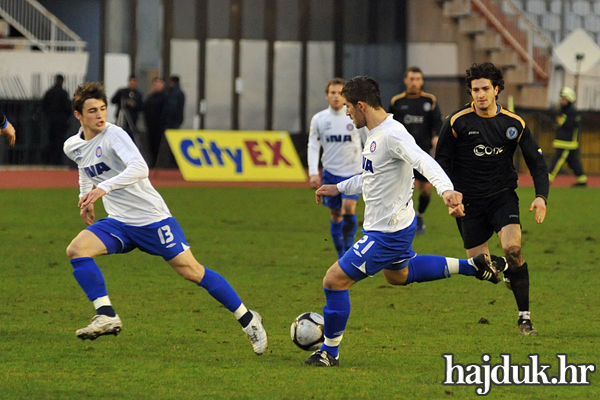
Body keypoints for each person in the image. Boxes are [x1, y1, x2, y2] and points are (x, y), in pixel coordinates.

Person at [304, 76, 503, 367]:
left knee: (334, 281)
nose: (346, 112)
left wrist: (445, 189)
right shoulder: (376, 133)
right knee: (397, 275)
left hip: (387, 232)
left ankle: (328, 353)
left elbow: (424, 160)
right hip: (395, 224)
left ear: (361, 105)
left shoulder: (393, 135)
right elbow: (372, 177)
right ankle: (472, 266)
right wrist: (339, 187)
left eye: (348, 106)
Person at [63, 82, 267, 355]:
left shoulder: (114, 135)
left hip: (152, 220)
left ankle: (248, 318)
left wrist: (104, 188)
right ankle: (106, 314)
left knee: (193, 272)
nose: (100, 116)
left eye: (103, 109)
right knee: (77, 250)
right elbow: (84, 167)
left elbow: (140, 168)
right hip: (120, 222)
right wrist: (85, 195)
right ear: (79, 115)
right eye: (92, 111)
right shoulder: (72, 145)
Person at [435, 62, 549, 336]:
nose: (480, 94)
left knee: (513, 250)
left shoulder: (514, 123)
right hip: (468, 204)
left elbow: (537, 162)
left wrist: (541, 197)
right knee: (482, 268)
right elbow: (441, 162)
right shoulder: (456, 122)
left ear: (497, 90)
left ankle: (525, 319)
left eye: (486, 88)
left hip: (502, 197)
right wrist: (449, 197)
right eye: (475, 89)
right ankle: (509, 270)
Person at [307, 78, 367, 258]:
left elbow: (368, 140)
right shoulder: (319, 119)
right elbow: (313, 145)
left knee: (348, 208)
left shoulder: (355, 116)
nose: (335, 97)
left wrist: (369, 165)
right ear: (327, 95)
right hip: (330, 173)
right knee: (335, 214)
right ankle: (341, 254)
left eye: (339, 93)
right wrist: (312, 172)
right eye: (332, 93)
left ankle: (349, 250)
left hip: (353, 172)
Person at [389, 66, 443, 234]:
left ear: (422, 81)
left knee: (426, 189)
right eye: (411, 79)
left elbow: (437, 124)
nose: (414, 82)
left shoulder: (430, 100)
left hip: (423, 153)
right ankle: (406, 220)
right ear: (406, 81)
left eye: (417, 79)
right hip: (403, 154)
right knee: (404, 188)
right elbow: (389, 125)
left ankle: (419, 214)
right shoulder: (396, 101)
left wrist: (436, 137)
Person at [548, 86, 587, 187]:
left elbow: (562, 123)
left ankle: (547, 179)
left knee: (557, 161)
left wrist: (559, 115)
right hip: (567, 143)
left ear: (570, 99)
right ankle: (582, 180)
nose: (562, 101)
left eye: (564, 99)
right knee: (573, 162)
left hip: (566, 143)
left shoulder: (571, 112)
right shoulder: (567, 111)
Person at [42, 74, 71, 165]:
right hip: (61, 121)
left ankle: (48, 161)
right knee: (59, 142)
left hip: (50, 121)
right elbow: (68, 108)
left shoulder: (49, 92)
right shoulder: (63, 93)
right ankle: (57, 161)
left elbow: (43, 106)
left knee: (50, 141)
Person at [143, 77, 168, 168]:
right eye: (155, 83)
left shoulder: (165, 98)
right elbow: (145, 109)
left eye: (159, 83)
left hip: (160, 126)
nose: (157, 85)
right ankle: (152, 162)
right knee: (151, 145)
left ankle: (160, 164)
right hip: (150, 126)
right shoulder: (150, 97)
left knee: (159, 145)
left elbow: (166, 112)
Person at [111, 75, 143, 141]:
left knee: (131, 137)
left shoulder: (138, 94)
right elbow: (113, 101)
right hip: (121, 118)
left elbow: (141, 107)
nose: (132, 83)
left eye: (134, 81)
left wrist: (133, 104)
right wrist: (124, 101)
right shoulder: (122, 92)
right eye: (131, 81)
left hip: (132, 120)